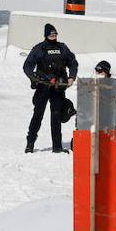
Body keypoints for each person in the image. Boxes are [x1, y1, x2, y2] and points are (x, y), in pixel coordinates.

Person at [23, 23, 78, 153]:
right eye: (51, 34)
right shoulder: (39, 48)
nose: (53, 36)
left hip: (58, 88)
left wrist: (71, 77)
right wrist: (35, 78)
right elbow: (27, 66)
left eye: (55, 34)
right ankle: (30, 144)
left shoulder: (62, 48)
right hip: (43, 87)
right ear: (46, 35)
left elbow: (73, 63)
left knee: (57, 116)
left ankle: (57, 147)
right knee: (38, 115)